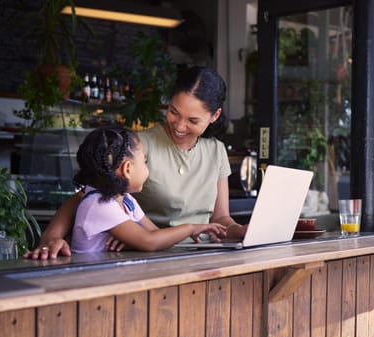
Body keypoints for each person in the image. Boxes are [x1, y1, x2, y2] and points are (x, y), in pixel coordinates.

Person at [25, 66, 247, 259]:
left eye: (192, 120)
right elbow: (87, 195)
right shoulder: (139, 146)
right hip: (148, 256)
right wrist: (51, 237)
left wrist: (242, 230)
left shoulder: (216, 150)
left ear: (215, 115)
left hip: (202, 255)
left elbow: (220, 218)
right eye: (173, 112)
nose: (179, 126)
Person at [69, 125, 226, 253]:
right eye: (144, 161)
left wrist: (133, 242)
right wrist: (191, 228)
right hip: (89, 283)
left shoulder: (127, 201)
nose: (146, 166)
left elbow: (156, 235)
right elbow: (149, 241)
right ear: (128, 169)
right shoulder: (99, 205)